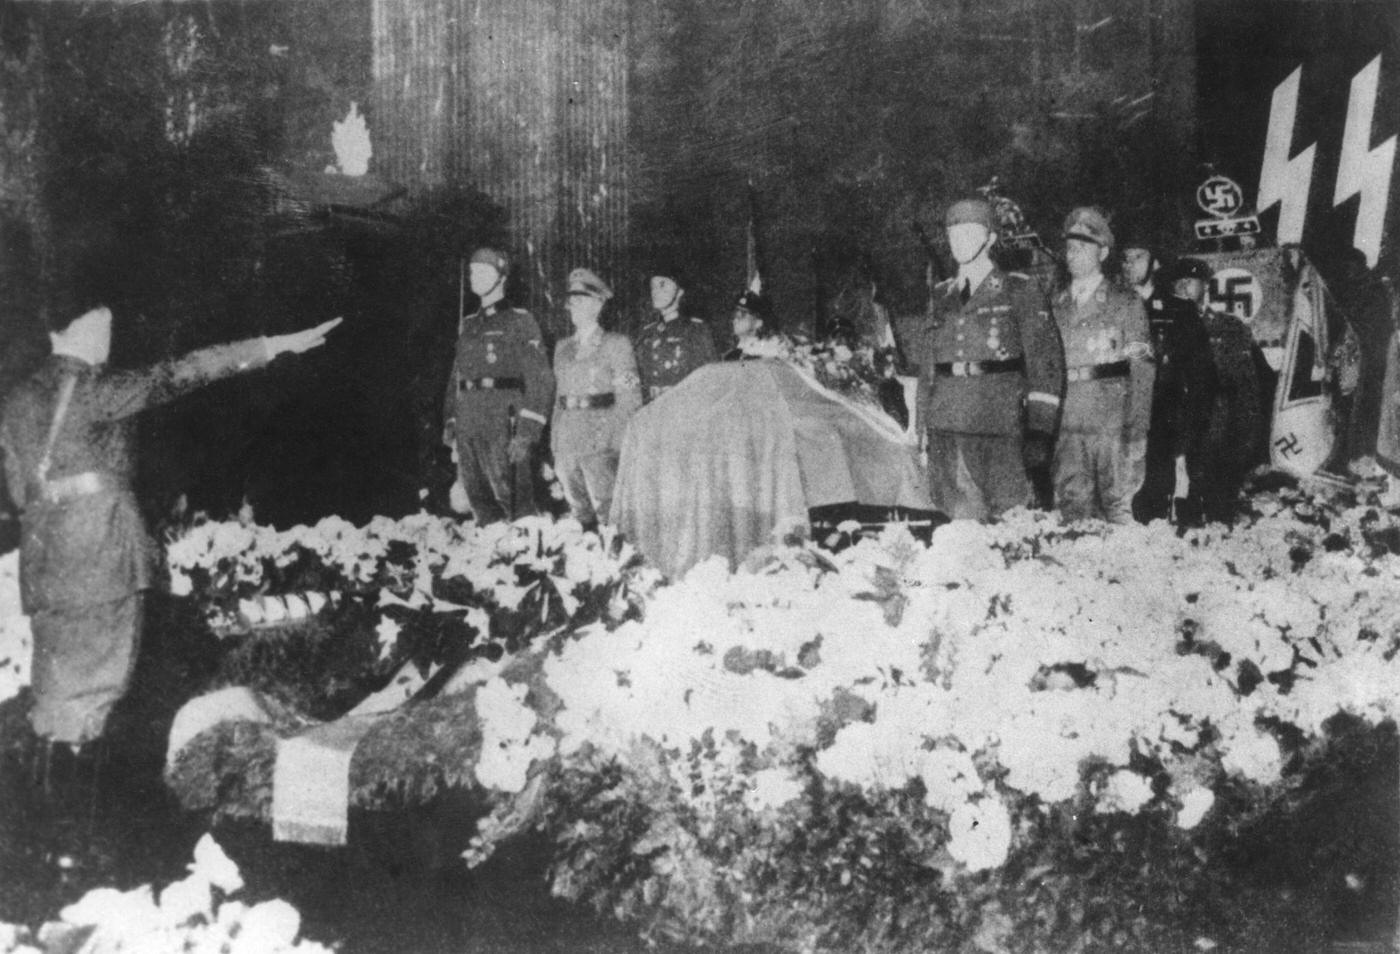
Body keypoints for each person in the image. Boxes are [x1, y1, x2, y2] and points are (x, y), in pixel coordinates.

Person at [0, 286, 339, 762]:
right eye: (105, 326)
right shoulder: (98, 389)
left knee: (54, 687)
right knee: (102, 690)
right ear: (78, 327)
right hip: (100, 557)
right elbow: (178, 374)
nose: (109, 338)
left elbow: (18, 490)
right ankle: (90, 807)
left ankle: (50, 805)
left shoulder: (16, 398)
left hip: (45, 562)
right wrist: (270, 346)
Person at [915, 197, 1065, 520]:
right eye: (953, 233)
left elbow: (1045, 365)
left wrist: (1040, 432)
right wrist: (920, 426)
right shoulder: (941, 295)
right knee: (959, 527)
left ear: (991, 238)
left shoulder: (1019, 289)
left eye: (969, 232)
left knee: (1009, 526)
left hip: (997, 425)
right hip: (946, 425)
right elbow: (928, 370)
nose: (959, 241)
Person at [1049, 207, 1154, 523]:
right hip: (1067, 420)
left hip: (1111, 420)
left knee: (1116, 505)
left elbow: (1142, 368)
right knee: (1072, 506)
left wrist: (1138, 428)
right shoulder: (1055, 304)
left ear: (1104, 252)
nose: (1073, 254)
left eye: (1083, 247)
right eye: (1070, 247)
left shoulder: (1126, 302)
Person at [442, 247, 554, 523]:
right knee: (479, 503)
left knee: (515, 504)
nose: (474, 276)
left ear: (502, 276)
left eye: (483, 271)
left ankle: (529, 562)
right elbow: (457, 378)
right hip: (469, 423)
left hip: (503, 423)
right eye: (471, 271)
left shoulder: (520, 321)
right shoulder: (467, 324)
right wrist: (452, 420)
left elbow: (541, 379)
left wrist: (528, 432)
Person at [1122, 245, 1217, 525]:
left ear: (1156, 262)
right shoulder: (1113, 307)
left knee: (1154, 508)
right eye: (1126, 259)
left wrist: (1189, 433)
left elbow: (1201, 378)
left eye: (1138, 257)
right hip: (1119, 419)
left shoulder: (1180, 311)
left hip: (1163, 422)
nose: (1129, 265)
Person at [551, 268, 641, 531]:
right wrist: (555, 442)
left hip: (599, 440)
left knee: (608, 510)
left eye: (580, 300)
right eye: (571, 301)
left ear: (598, 304)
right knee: (579, 512)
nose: (572, 306)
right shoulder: (562, 348)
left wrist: (612, 443)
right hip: (568, 440)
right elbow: (558, 398)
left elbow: (630, 400)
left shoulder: (617, 344)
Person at [1173, 257, 1262, 523]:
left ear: (1205, 287)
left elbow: (1246, 390)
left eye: (1189, 283)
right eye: (1177, 285)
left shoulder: (1230, 328)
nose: (1183, 290)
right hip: (1178, 429)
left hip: (1219, 428)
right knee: (1181, 512)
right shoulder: (1164, 328)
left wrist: (1246, 440)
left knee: (1219, 508)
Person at [634, 271, 716, 402]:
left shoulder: (696, 330)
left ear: (680, 292)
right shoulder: (646, 333)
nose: (655, 291)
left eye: (662, 285)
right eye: (652, 286)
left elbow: (709, 380)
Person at [722, 289, 783, 360]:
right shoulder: (732, 355)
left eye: (743, 314)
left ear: (758, 323)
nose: (735, 319)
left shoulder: (768, 351)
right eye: (735, 313)